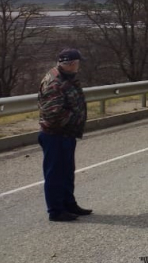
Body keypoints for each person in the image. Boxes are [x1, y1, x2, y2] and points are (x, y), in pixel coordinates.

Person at [37, 48, 91, 222]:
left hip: (66, 134)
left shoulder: (67, 78)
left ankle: (69, 203)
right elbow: (53, 114)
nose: (78, 66)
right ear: (71, 64)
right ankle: (56, 210)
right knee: (55, 174)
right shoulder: (54, 82)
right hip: (55, 135)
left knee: (67, 172)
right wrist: (74, 121)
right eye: (77, 63)